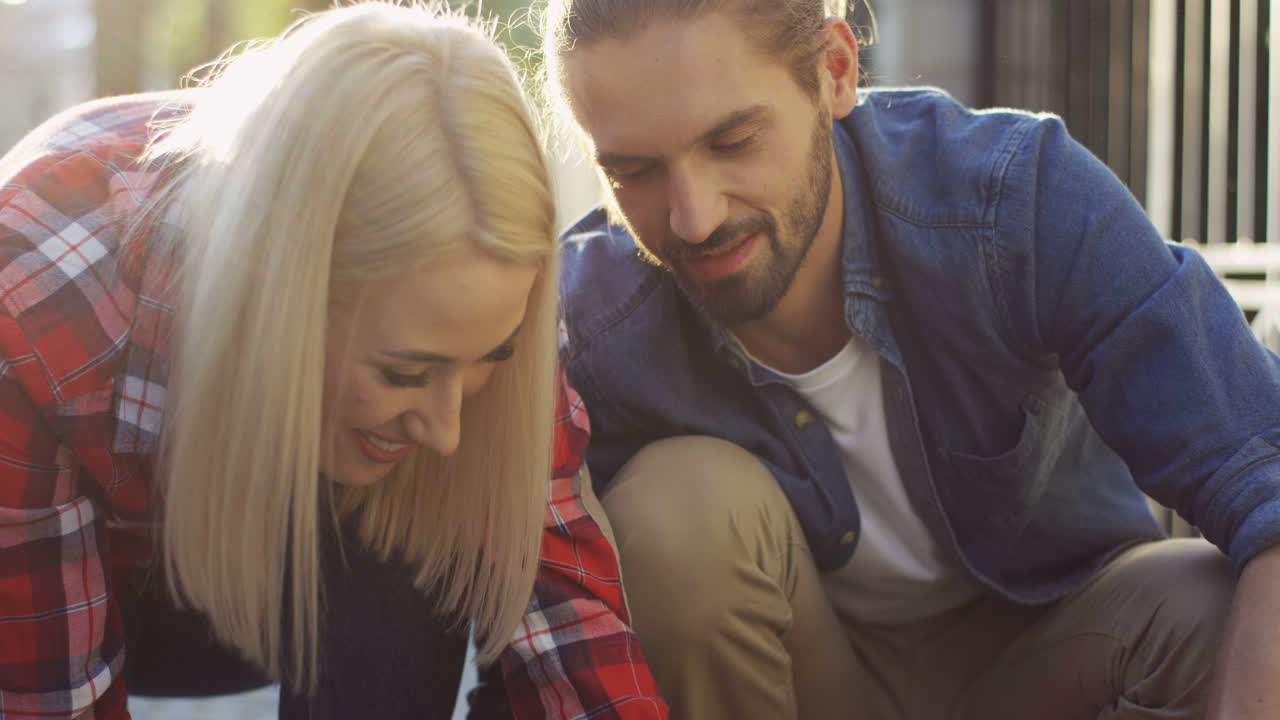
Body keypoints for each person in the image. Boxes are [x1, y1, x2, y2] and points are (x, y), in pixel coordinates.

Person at [540, 0, 1280, 718]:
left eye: (732, 141)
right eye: (634, 172)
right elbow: (515, 621)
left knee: (1207, 609)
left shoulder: (1006, 199)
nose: (692, 217)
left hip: (1056, 659)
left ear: (834, 71)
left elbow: (1263, 471)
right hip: (807, 681)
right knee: (678, 513)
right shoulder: (593, 327)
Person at [0, 3, 665, 719]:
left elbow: (570, 632)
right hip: (93, 581)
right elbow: (51, 700)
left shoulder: (480, 291)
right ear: (278, 292)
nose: (448, 427)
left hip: (300, 565)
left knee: (415, 487)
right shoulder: (32, 313)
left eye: (485, 359)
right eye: (404, 370)